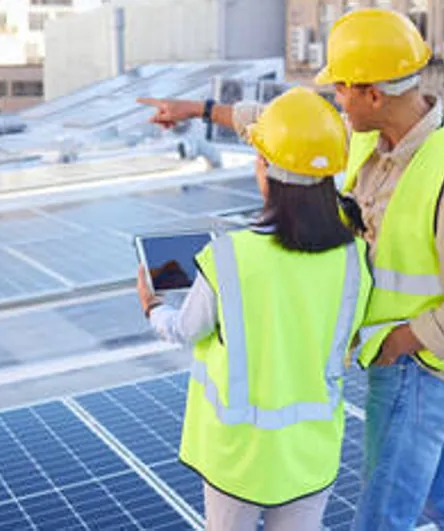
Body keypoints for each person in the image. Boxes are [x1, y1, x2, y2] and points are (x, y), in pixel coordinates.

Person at [139, 8, 444, 530]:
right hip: (399, 359)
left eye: (340, 90)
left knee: (382, 518)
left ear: (373, 95)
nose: (334, 100)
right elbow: (283, 131)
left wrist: (400, 341)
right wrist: (198, 109)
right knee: (440, 497)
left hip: (420, 369)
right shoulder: (364, 133)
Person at [136, 87, 373, 531]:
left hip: (238, 458)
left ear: (266, 170)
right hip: (310, 451)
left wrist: (151, 305)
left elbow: (185, 330)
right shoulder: (355, 259)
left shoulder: (228, 257)